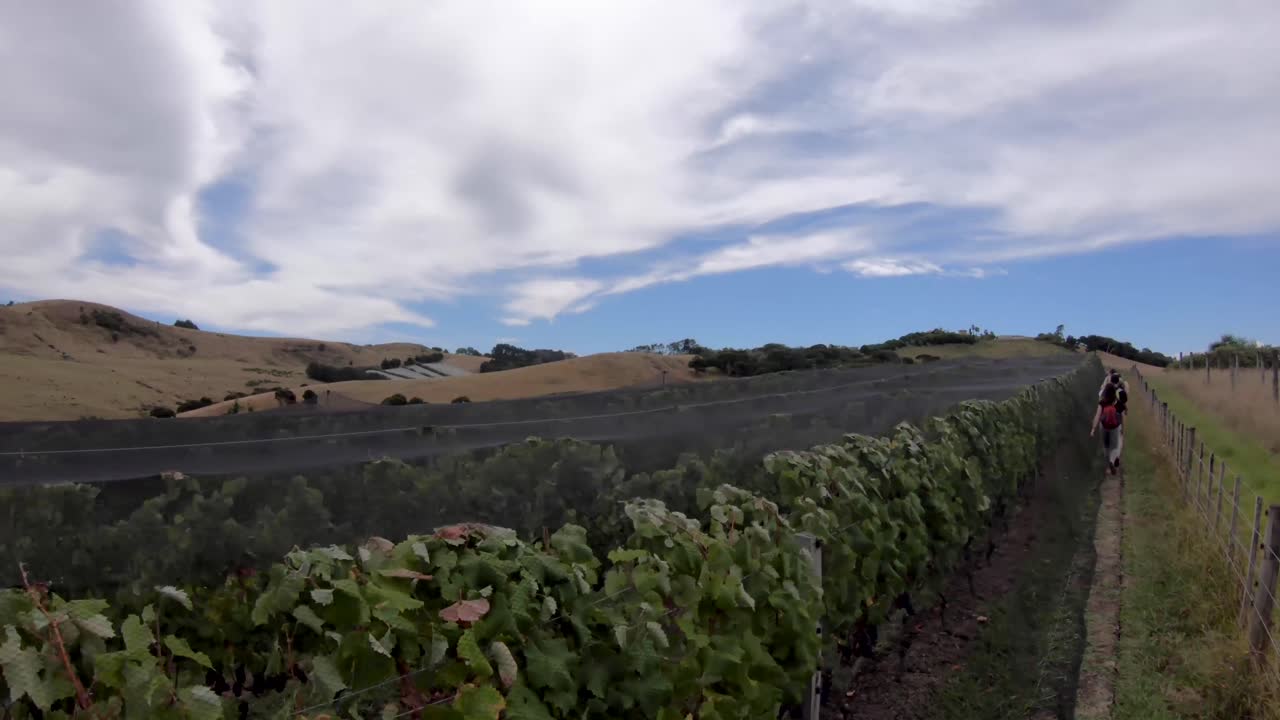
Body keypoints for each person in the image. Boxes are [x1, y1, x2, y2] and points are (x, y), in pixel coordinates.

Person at [1091, 382, 1124, 474]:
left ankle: (1108, 466)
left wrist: (1093, 429)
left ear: (1105, 392)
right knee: (1115, 446)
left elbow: (1097, 416)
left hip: (1104, 427)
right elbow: (1122, 417)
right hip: (1115, 427)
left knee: (1106, 447)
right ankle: (1112, 461)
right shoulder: (1118, 403)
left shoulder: (1102, 402)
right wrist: (1122, 428)